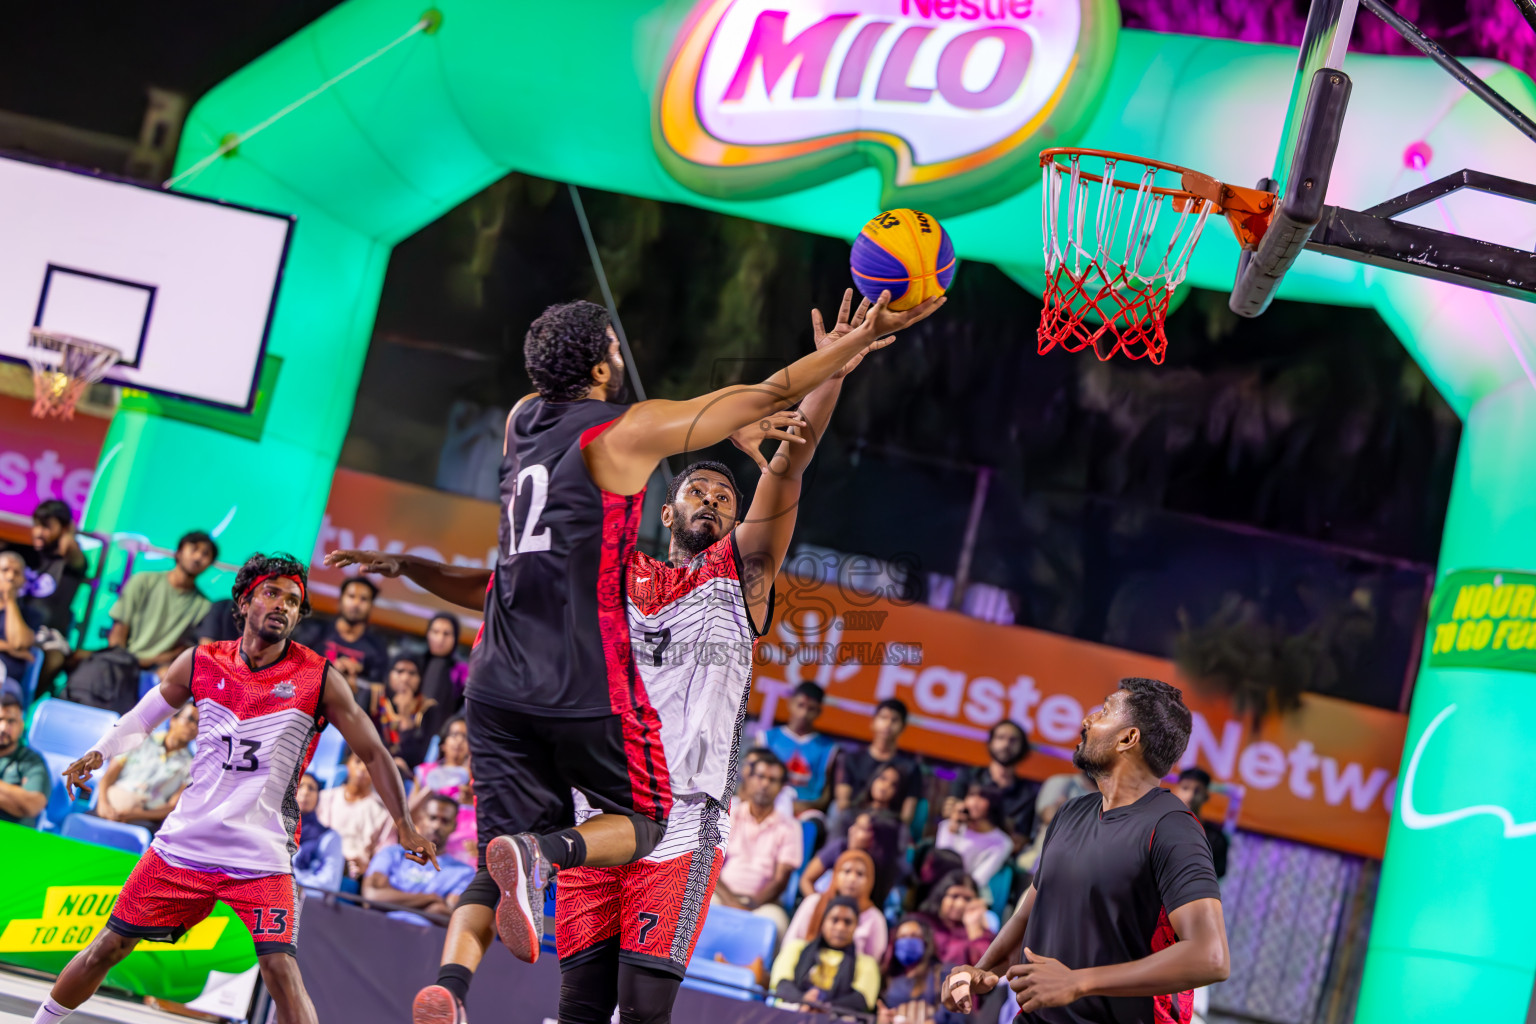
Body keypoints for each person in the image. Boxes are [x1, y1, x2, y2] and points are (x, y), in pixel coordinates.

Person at [327, 288, 936, 1024]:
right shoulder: (615, 572)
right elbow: (500, 585)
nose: (712, 500)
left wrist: (840, 365)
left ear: (737, 519)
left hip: (686, 818)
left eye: (724, 497)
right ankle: (521, 883)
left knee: (644, 1012)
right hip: (600, 809)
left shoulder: (739, 577)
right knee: (580, 1005)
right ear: (667, 511)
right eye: (697, 491)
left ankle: (501, 908)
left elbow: (793, 458)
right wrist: (415, 570)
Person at [37, 553, 436, 1024]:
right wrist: (100, 752)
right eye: (272, 593)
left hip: (261, 852)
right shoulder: (201, 661)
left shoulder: (318, 677)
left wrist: (405, 826)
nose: (283, 606)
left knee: (280, 969)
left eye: (293, 601)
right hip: (185, 843)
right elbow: (145, 717)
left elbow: (373, 753)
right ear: (246, 600)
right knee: (109, 946)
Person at [941, 678, 1229, 1024]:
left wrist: (1079, 982)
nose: (1087, 720)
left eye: (1105, 711)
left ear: (1128, 738)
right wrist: (981, 970)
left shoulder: (1172, 828)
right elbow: (1027, 914)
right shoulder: (1070, 813)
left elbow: (1210, 956)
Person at [65, 531, 217, 713]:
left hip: (156, 668)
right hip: (120, 658)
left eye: (206, 554)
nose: (198, 557)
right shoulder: (143, 581)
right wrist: (126, 659)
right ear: (179, 552)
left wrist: (155, 662)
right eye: (194, 549)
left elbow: (183, 649)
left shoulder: (204, 606)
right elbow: (118, 631)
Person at [712, 750, 803, 937]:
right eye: (760, 776)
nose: (765, 784)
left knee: (775, 923)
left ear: (781, 787)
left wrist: (750, 906)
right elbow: (711, 864)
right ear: (749, 779)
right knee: (698, 905)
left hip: (762, 904)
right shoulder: (730, 815)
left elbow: (780, 881)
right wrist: (732, 902)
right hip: (721, 895)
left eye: (773, 780)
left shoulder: (790, 827)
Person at [364, 793, 477, 923]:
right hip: (378, 928)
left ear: (454, 826)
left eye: (445, 821)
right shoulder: (391, 854)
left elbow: (447, 916)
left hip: (424, 938)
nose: (436, 826)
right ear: (420, 818)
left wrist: (391, 897)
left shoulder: (464, 873)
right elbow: (371, 896)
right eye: (432, 818)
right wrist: (431, 899)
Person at [95, 703, 199, 830]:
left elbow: (172, 806)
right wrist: (103, 804)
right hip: (110, 806)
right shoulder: (139, 739)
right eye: (191, 719)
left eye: (200, 724)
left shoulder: (192, 765)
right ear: (173, 719)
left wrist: (135, 815)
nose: (194, 727)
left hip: (144, 819)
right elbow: (108, 777)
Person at [770, 895, 882, 1012]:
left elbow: (860, 1000)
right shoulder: (796, 948)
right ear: (823, 922)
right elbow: (781, 984)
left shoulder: (866, 963)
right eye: (834, 920)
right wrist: (803, 1000)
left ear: (856, 926)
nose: (840, 927)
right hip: (793, 1010)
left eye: (848, 922)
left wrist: (824, 1007)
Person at [835, 698, 924, 829]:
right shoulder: (852, 759)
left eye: (894, 720)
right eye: (883, 718)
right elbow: (843, 803)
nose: (888, 724)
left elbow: (907, 815)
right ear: (873, 722)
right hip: (852, 823)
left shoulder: (910, 768)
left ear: (903, 727)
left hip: (888, 826)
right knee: (836, 813)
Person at [295, 577, 390, 700]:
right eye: (351, 596)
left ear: (371, 606)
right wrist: (332, 670)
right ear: (341, 599)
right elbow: (294, 665)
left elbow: (378, 688)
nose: (356, 603)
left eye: (363, 599)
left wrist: (357, 677)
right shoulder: (316, 632)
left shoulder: (378, 648)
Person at [786, 848, 889, 959]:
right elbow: (790, 944)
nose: (852, 878)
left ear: (869, 880)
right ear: (835, 874)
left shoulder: (875, 918)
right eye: (847, 871)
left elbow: (873, 961)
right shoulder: (814, 903)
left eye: (860, 874)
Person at [945, 721, 1039, 844]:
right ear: (991, 742)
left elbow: (1022, 837)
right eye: (1000, 737)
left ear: (1023, 747)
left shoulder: (1028, 794)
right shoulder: (969, 776)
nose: (1006, 744)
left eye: (1013, 740)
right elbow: (950, 813)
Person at [756, 681, 839, 819]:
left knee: (812, 825)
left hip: (804, 812)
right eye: (800, 705)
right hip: (766, 803)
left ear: (819, 712)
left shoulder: (828, 749)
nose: (804, 713)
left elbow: (826, 795)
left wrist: (800, 808)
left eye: (811, 709)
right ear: (790, 704)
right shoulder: (766, 739)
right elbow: (751, 780)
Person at [318, 748, 399, 886]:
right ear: (347, 764)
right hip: (318, 863)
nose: (362, 768)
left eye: (370, 766)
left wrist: (366, 868)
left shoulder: (383, 813)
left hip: (352, 874)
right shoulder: (325, 798)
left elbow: (384, 854)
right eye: (357, 761)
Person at [801, 808, 905, 906]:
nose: (852, 830)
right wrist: (821, 908)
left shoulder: (883, 866)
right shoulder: (839, 847)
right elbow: (806, 879)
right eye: (855, 825)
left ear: (876, 837)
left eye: (862, 829)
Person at [936, 785, 1013, 900]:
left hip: (968, 894)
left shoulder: (1003, 842)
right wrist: (954, 828)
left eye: (982, 797)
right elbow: (939, 862)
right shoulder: (948, 825)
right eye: (971, 795)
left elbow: (978, 879)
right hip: (938, 886)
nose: (974, 802)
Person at [880, 917, 960, 1024]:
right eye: (902, 937)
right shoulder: (889, 975)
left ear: (925, 941)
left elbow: (955, 1013)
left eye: (914, 936)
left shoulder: (943, 972)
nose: (907, 941)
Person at [27, 499, 88, 635]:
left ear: (65, 528)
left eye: (46, 527)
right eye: (36, 525)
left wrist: (69, 534)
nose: (38, 532)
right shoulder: (29, 555)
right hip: (20, 629)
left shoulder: (71, 562)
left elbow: (69, 547)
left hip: (50, 636)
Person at [916, 871, 996, 968]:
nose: (960, 904)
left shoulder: (980, 932)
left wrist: (974, 928)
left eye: (968, 899)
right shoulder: (922, 924)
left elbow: (986, 966)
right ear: (941, 896)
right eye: (954, 896)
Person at [380, 655, 443, 768]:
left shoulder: (428, 709)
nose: (405, 678)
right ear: (389, 673)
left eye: (412, 673)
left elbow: (419, 757)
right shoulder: (375, 699)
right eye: (400, 671)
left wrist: (405, 717)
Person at [0, 692, 49, 826]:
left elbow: (33, 805)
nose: (3, 728)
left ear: (21, 725)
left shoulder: (32, 761)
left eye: (11, 721)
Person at [1173, 768, 1229, 880]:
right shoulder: (1155, 826)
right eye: (1185, 788)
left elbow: (1216, 873)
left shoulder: (1215, 839)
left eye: (1197, 791)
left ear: (1206, 796)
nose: (1190, 796)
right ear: (1175, 791)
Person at [0, 551, 41, 699]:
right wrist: (10, 648)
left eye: (16, 573)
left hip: (7, 686)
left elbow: (18, 643)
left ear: (23, 580)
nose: (10, 577)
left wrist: (10, 600)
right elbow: (15, 648)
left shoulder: (32, 614)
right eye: (5, 570)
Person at [292, 774, 342, 891]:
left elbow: (329, 883)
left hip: (301, 901)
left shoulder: (328, 837)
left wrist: (296, 887)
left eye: (311, 788)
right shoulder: (274, 828)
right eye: (300, 785)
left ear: (318, 797)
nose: (305, 792)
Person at [419, 612, 468, 718]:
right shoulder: (416, 664)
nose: (440, 639)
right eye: (435, 632)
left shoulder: (462, 671)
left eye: (446, 634)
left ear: (455, 637)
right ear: (428, 633)